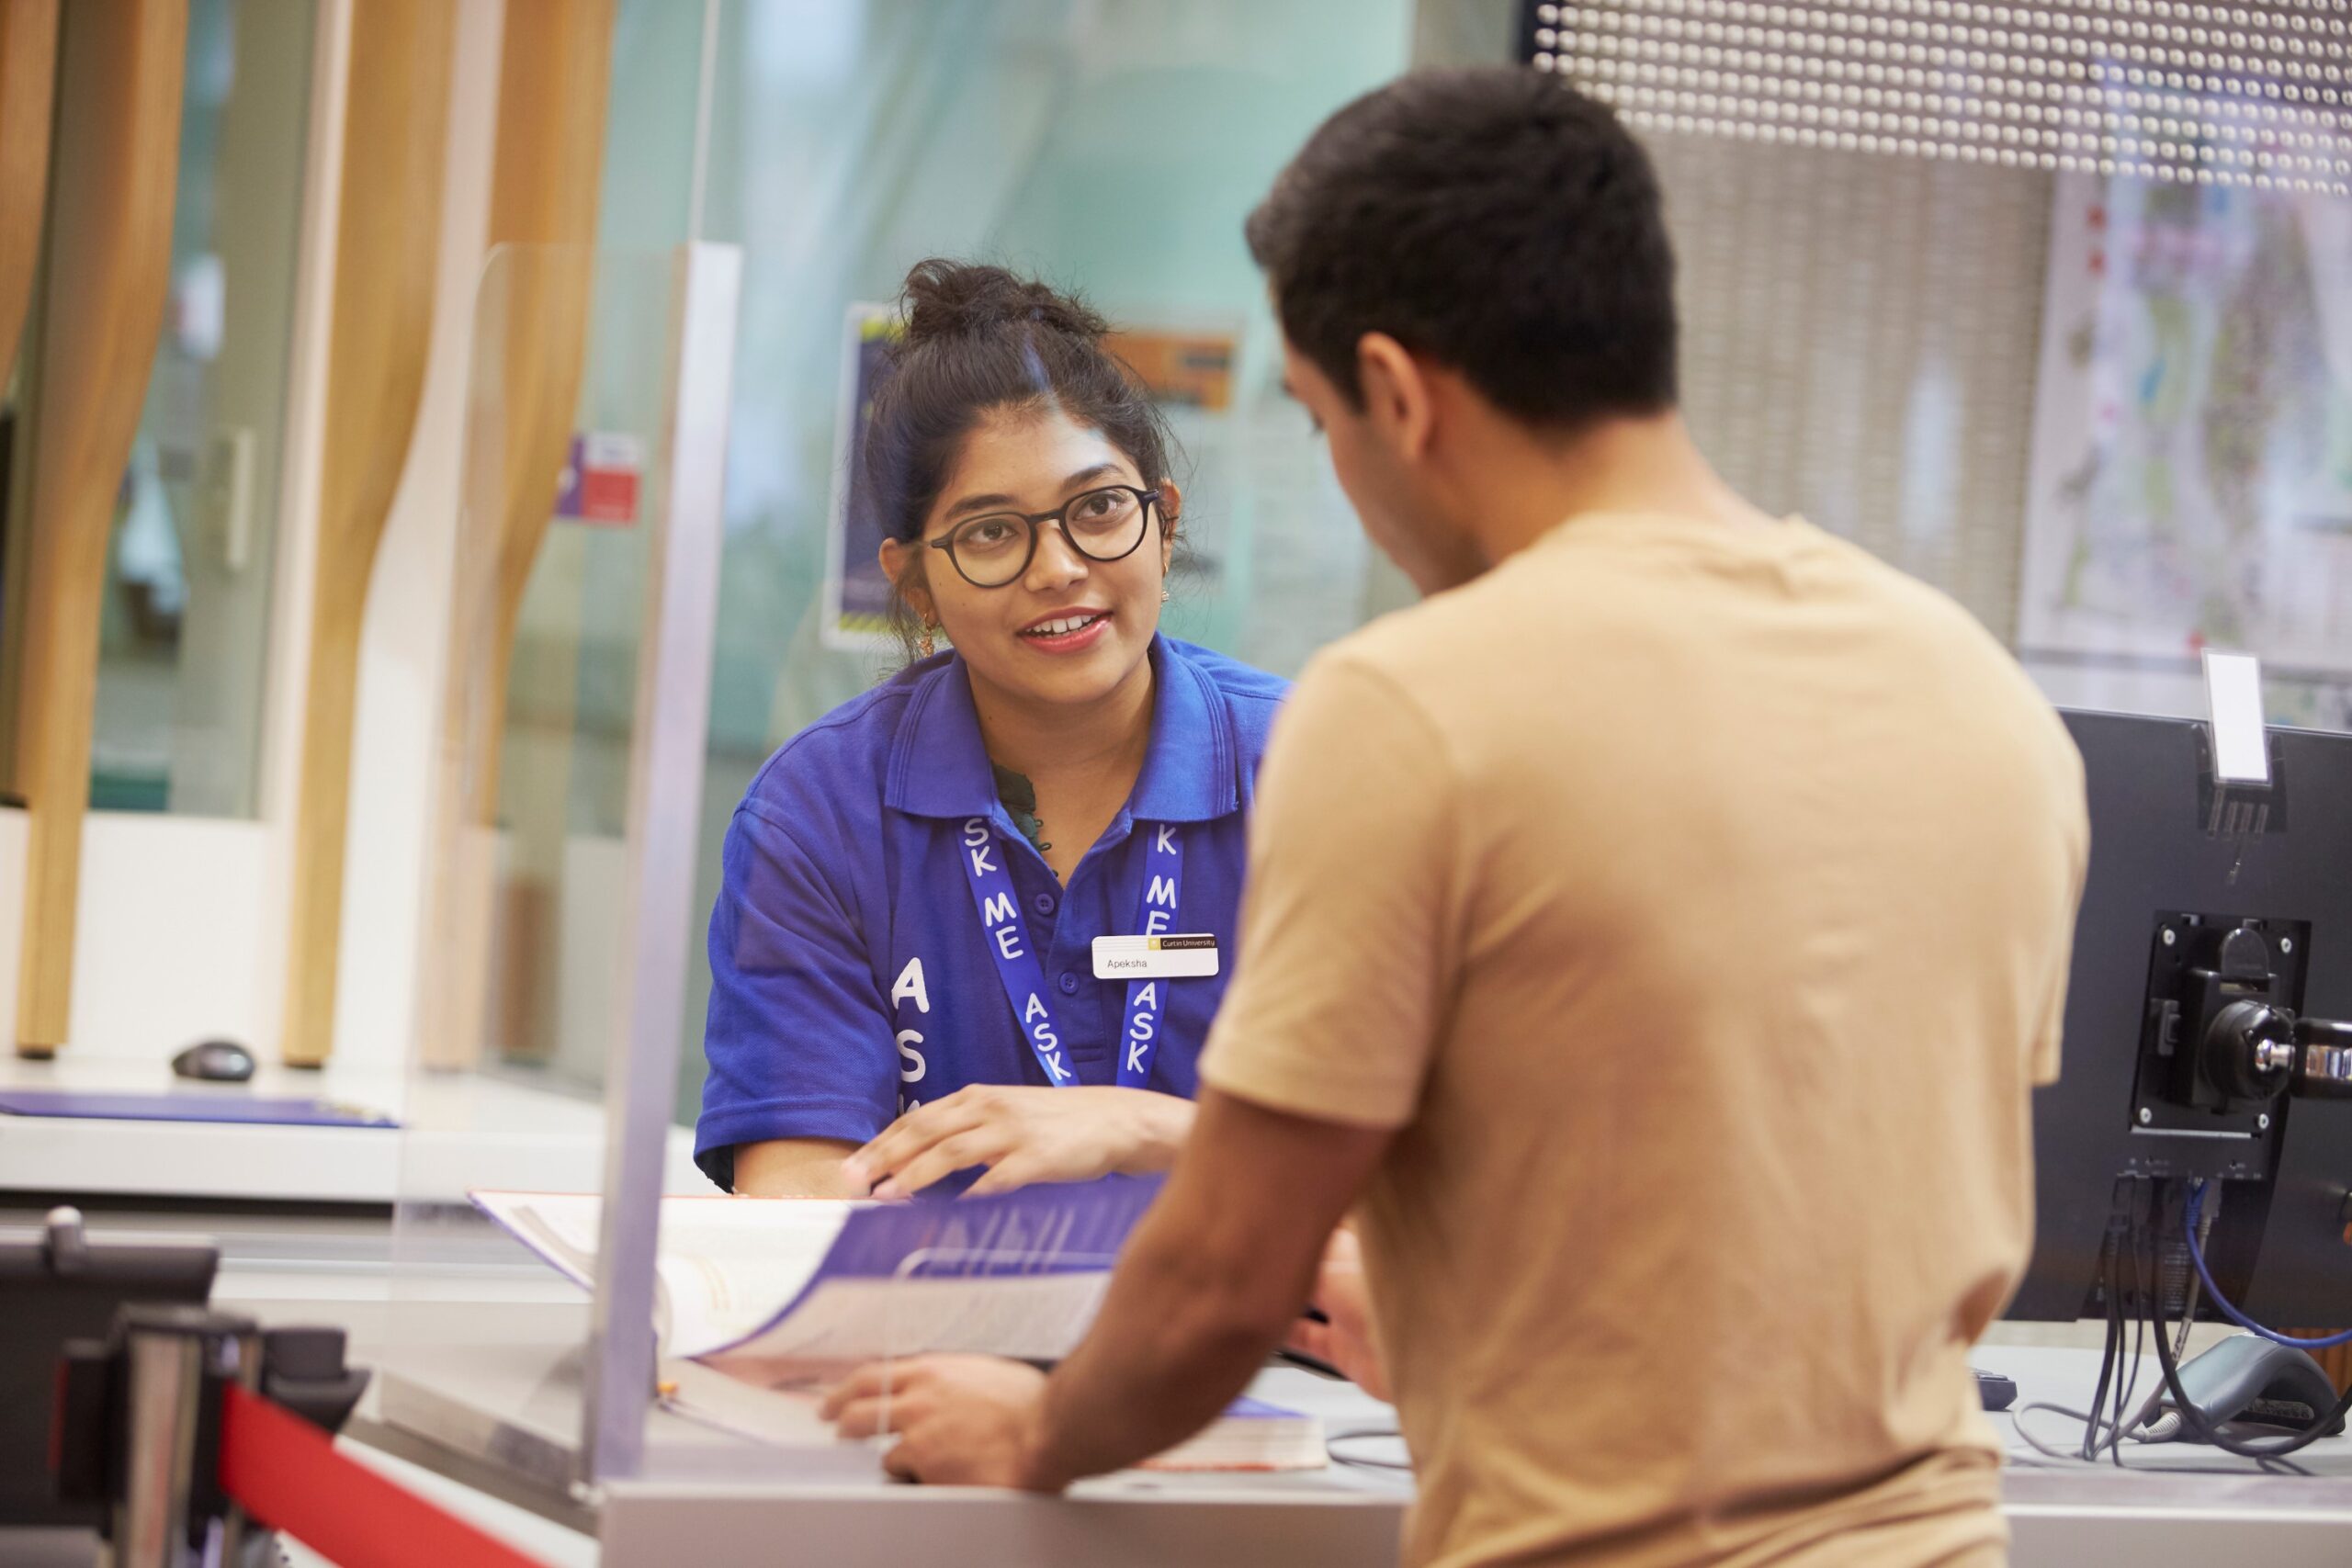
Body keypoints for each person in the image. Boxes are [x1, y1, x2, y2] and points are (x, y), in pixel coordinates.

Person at [818, 67, 2089, 1567]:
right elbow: (1786, 1220)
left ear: (1400, 395)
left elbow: (1228, 1275)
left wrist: (1030, 1432)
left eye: (1318, 421)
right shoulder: (1983, 699)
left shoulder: (1418, 707)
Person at [695, 260, 1286, 1199]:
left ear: (1164, 528)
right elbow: (796, 1198)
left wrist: (1141, 1126)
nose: (1056, 568)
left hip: (1263, 1344)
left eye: (1097, 510)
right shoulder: (821, 813)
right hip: (927, 1335)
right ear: (914, 582)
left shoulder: (1310, 769)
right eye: (989, 533)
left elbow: (1435, 1164)